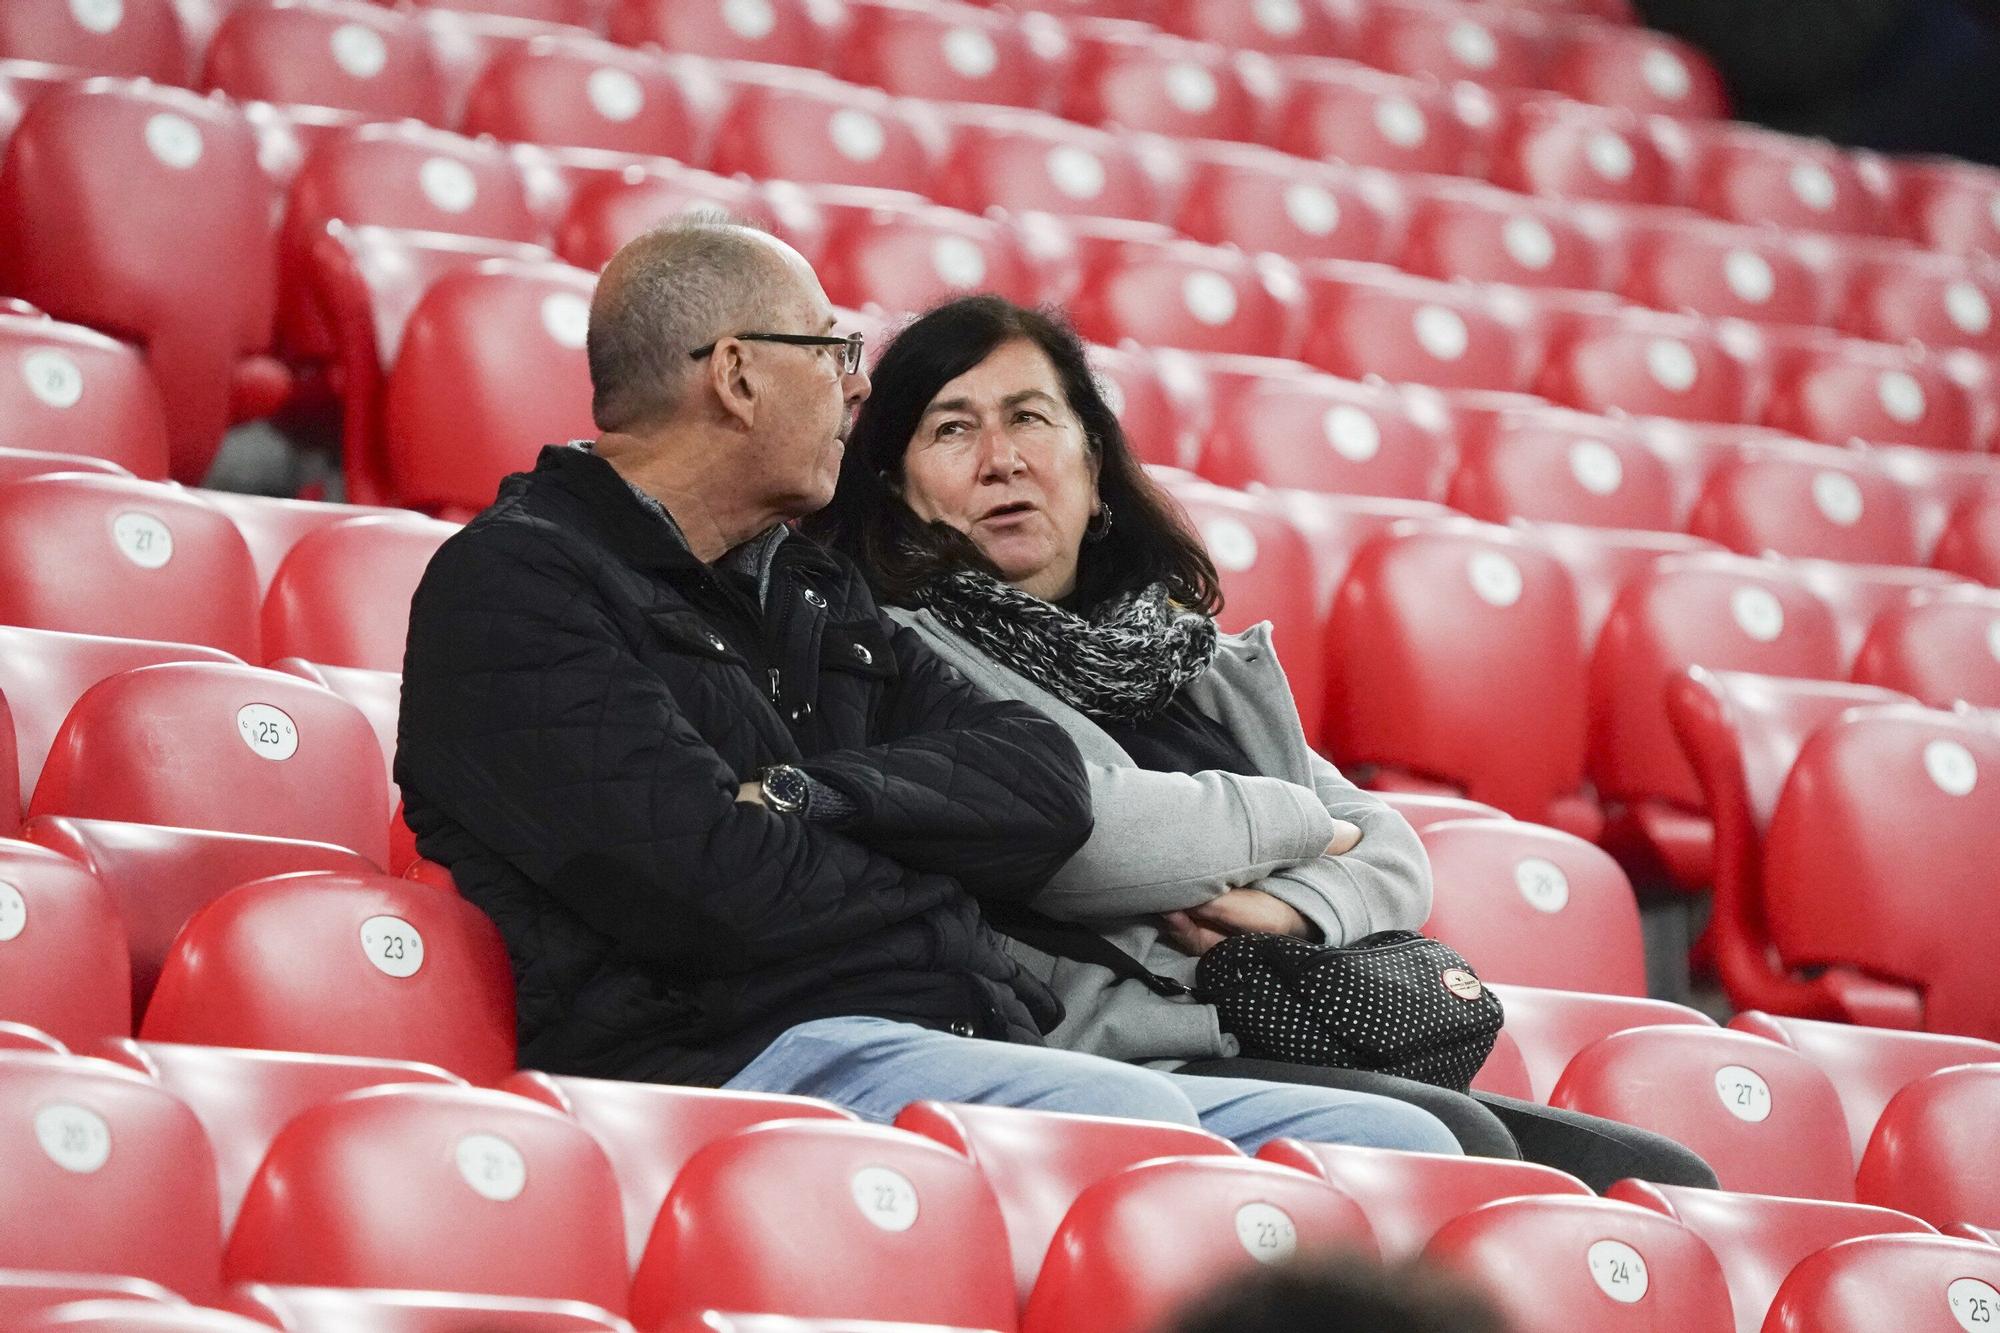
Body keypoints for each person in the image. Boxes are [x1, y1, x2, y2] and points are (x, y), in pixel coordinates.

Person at [395, 218, 1458, 1156]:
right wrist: (932, 866)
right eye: (832, 352)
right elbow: (711, 886)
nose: (855, 387)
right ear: (737, 375)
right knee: (1134, 1130)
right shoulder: (518, 585)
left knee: (1399, 1142)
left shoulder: (805, 587)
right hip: (726, 1065)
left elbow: (1043, 785)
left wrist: (823, 800)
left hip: (950, 1034)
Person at [808, 294, 1718, 1190]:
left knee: (1663, 1175)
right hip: (1126, 1054)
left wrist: (1289, 910)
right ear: (897, 486)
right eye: (952, 429)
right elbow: (1088, 840)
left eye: (1029, 417)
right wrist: (1307, 825)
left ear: (1093, 461)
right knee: (1458, 1146)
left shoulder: (1187, 655)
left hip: (1276, 1023)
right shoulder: (903, 653)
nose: (1001, 459)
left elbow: (1396, 854)